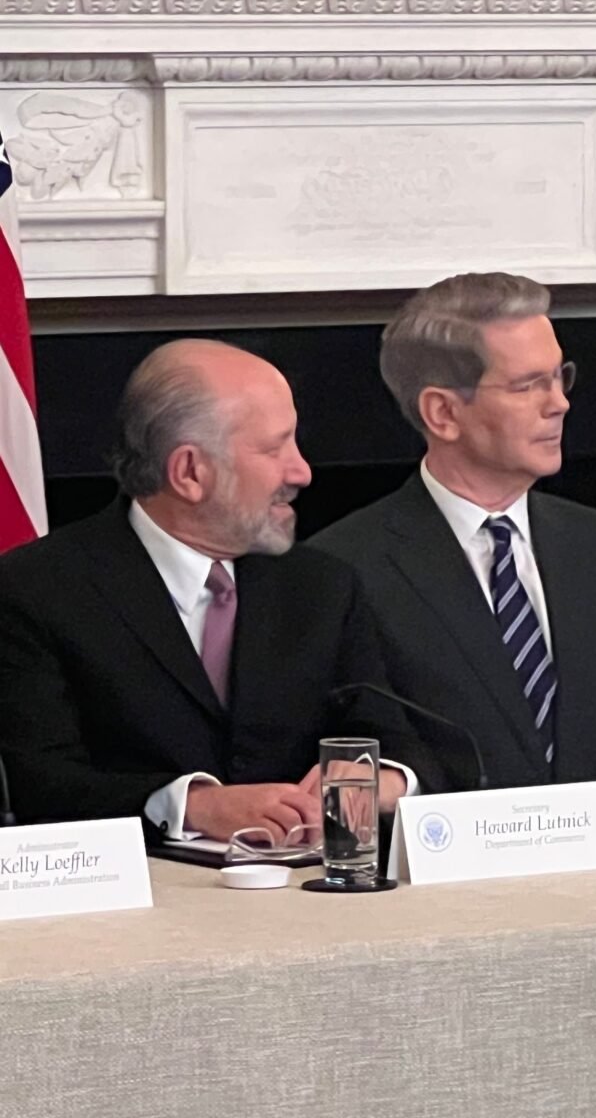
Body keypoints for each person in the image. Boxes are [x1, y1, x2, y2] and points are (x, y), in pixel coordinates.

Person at [0, 340, 440, 839]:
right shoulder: (38, 588)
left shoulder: (321, 586)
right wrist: (194, 806)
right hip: (141, 882)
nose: (302, 472)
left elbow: (399, 743)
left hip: (307, 880)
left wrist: (382, 780)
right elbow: (40, 785)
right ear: (190, 472)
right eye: (274, 449)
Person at [311, 272, 596, 790]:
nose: (559, 403)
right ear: (443, 412)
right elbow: (349, 772)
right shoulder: (341, 571)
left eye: (559, 376)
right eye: (528, 386)